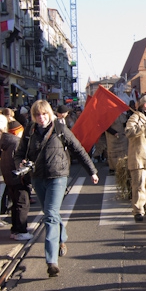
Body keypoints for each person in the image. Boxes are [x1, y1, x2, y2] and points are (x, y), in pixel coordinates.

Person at [15, 100, 98, 277]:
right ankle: (61, 238)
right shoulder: (29, 131)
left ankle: (51, 261)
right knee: (50, 212)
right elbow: (19, 153)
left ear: (50, 114)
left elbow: (78, 149)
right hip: (38, 177)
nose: (41, 118)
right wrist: (20, 163)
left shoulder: (60, 129)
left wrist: (92, 171)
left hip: (58, 177)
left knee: (50, 215)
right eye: (37, 115)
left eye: (44, 114)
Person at [125, 94, 146, 221]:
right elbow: (128, 132)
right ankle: (138, 210)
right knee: (139, 185)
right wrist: (143, 127)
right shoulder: (135, 117)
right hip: (139, 157)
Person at [1, 119, 32, 241]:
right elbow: (19, 162)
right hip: (19, 179)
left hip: (10, 178)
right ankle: (21, 230)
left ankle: (15, 229)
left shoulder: (6, 143)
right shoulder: (16, 143)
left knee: (15, 204)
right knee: (22, 204)